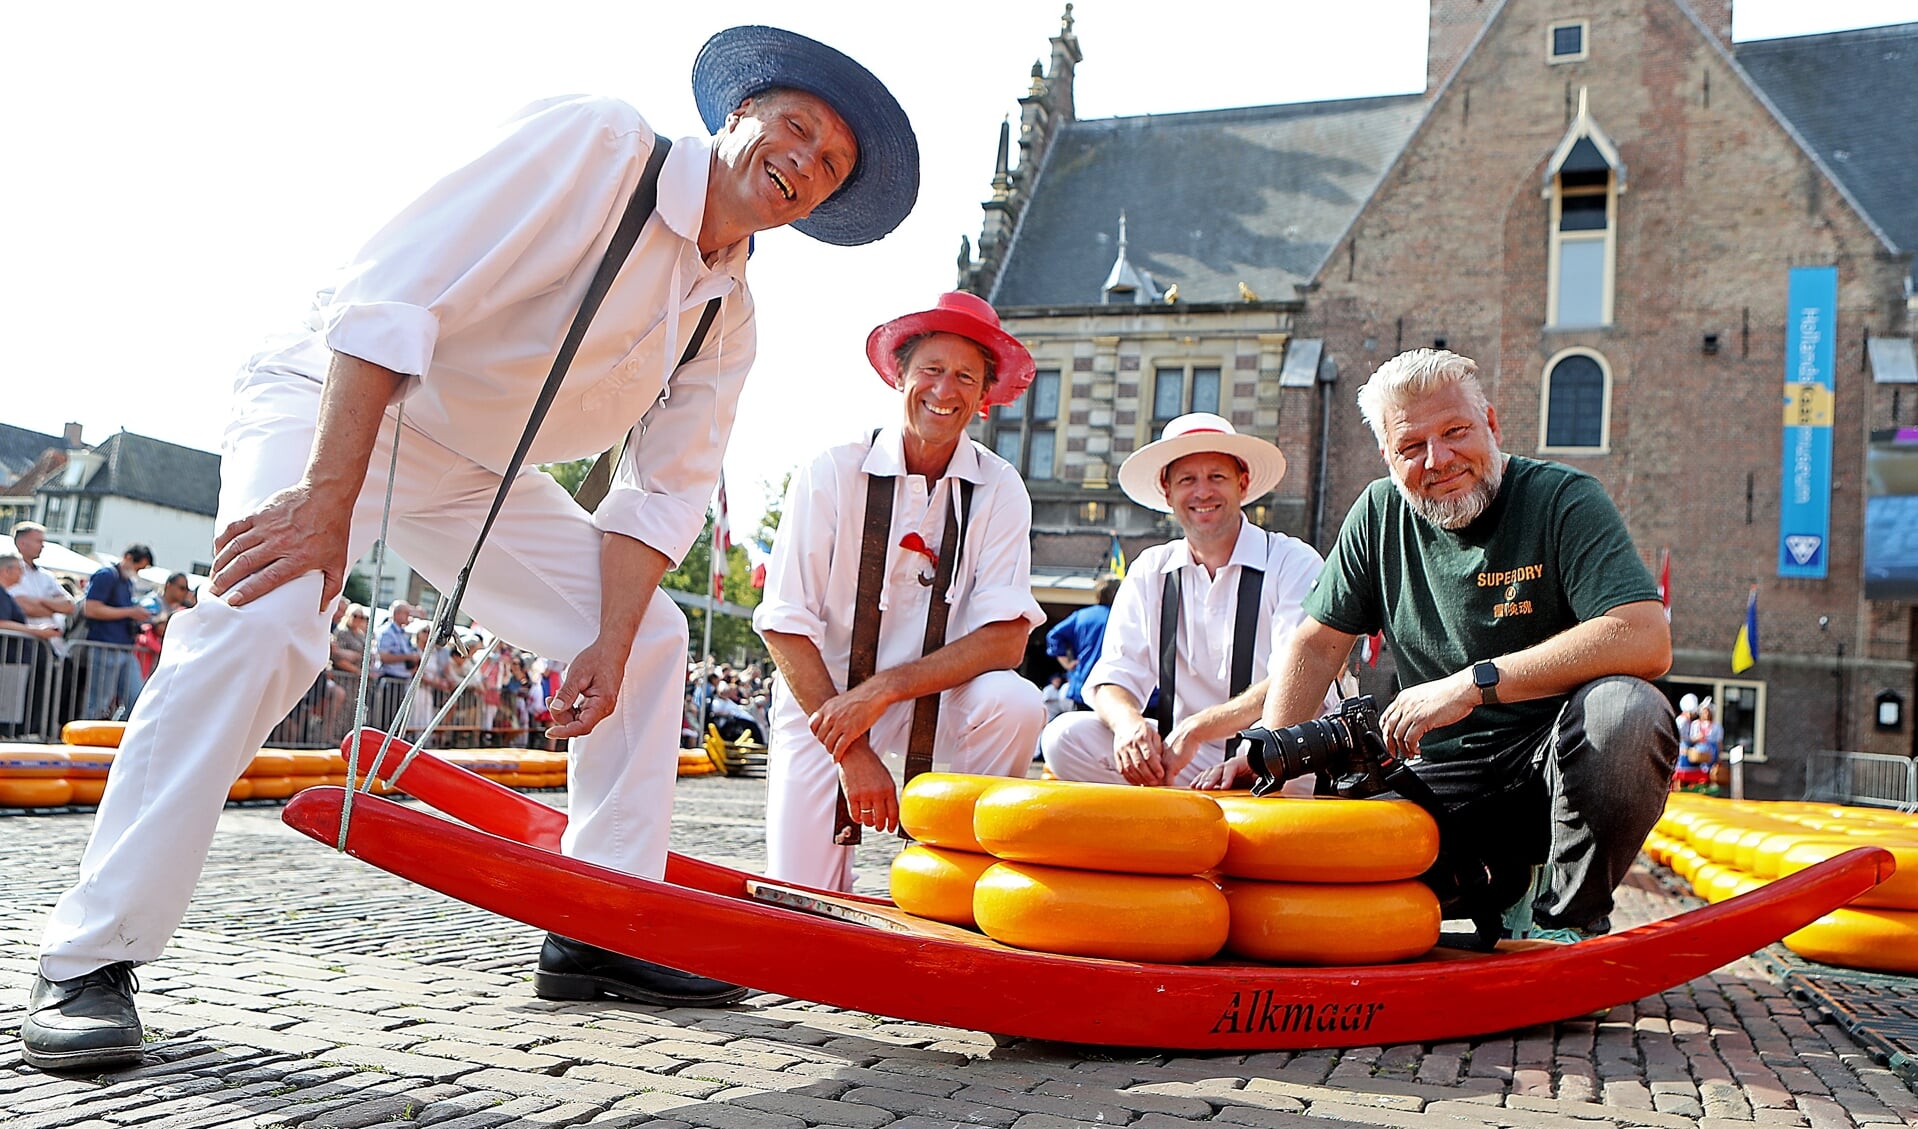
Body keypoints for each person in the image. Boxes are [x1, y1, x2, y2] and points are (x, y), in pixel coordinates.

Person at [24, 25, 918, 1073]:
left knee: (653, 636)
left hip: (476, 475)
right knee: (266, 618)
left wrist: (607, 642)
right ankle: (90, 957)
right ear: (736, 116)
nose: (803, 163)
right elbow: (393, 294)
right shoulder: (597, 145)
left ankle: (600, 925)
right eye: (797, 129)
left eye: (830, 165)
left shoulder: (729, 313)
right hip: (335, 398)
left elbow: (658, 495)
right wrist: (326, 501)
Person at [1203, 349, 1676, 944]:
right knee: (1338, 902)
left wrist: (1473, 683)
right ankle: (1495, 887)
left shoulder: (1563, 499)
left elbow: (1644, 635)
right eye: (1411, 446)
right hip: (1439, 775)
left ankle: (1567, 926)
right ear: (1388, 457)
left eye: (1456, 432)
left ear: (1493, 426)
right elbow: (1319, 643)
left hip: (1556, 769)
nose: (1438, 459)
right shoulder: (1378, 512)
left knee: (1628, 711)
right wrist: (1274, 752)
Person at [756, 292, 1046, 892]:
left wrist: (886, 690)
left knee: (1015, 703)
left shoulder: (999, 487)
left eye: (965, 376)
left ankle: (963, 876)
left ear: (984, 396)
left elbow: (1008, 638)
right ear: (902, 377)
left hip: (936, 702)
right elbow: (785, 623)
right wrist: (852, 749)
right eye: (932, 371)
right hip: (826, 705)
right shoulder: (831, 471)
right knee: (800, 896)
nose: (945, 390)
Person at [1041, 415, 1337, 790]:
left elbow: (1299, 678)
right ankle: (1178, 817)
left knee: (1292, 770)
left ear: (1242, 484)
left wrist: (1198, 728)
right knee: (1063, 738)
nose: (1203, 493)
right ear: (1167, 492)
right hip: (1183, 755)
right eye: (1187, 480)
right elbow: (1114, 676)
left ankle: (1178, 819)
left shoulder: (1293, 561)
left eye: (1217, 477)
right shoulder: (1152, 569)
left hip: (1277, 750)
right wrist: (1129, 726)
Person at [77, 545, 155, 721]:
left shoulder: (126, 581)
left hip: (124, 648)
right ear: (128, 557)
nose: (138, 572)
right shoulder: (106, 575)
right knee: (98, 703)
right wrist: (130, 612)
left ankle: (119, 737)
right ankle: (88, 740)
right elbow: (91, 609)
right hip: (104, 646)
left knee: (137, 699)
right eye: (138, 567)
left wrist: (134, 615)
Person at [1044, 573, 1116, 710]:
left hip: (1083, 684)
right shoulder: (1126, 617)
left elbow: (1053, 635)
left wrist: (1067, 663)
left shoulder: (1082, 616)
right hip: (1114, 686)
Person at [7, 523, 76, 653]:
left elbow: (69, 605)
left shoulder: (46, 576)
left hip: (52, 645)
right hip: (22, 645)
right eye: (38, 541)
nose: (43, 545)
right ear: (22, 543)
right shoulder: (10, 572)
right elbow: (23, 606)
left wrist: (40, 602)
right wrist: (54, 608)